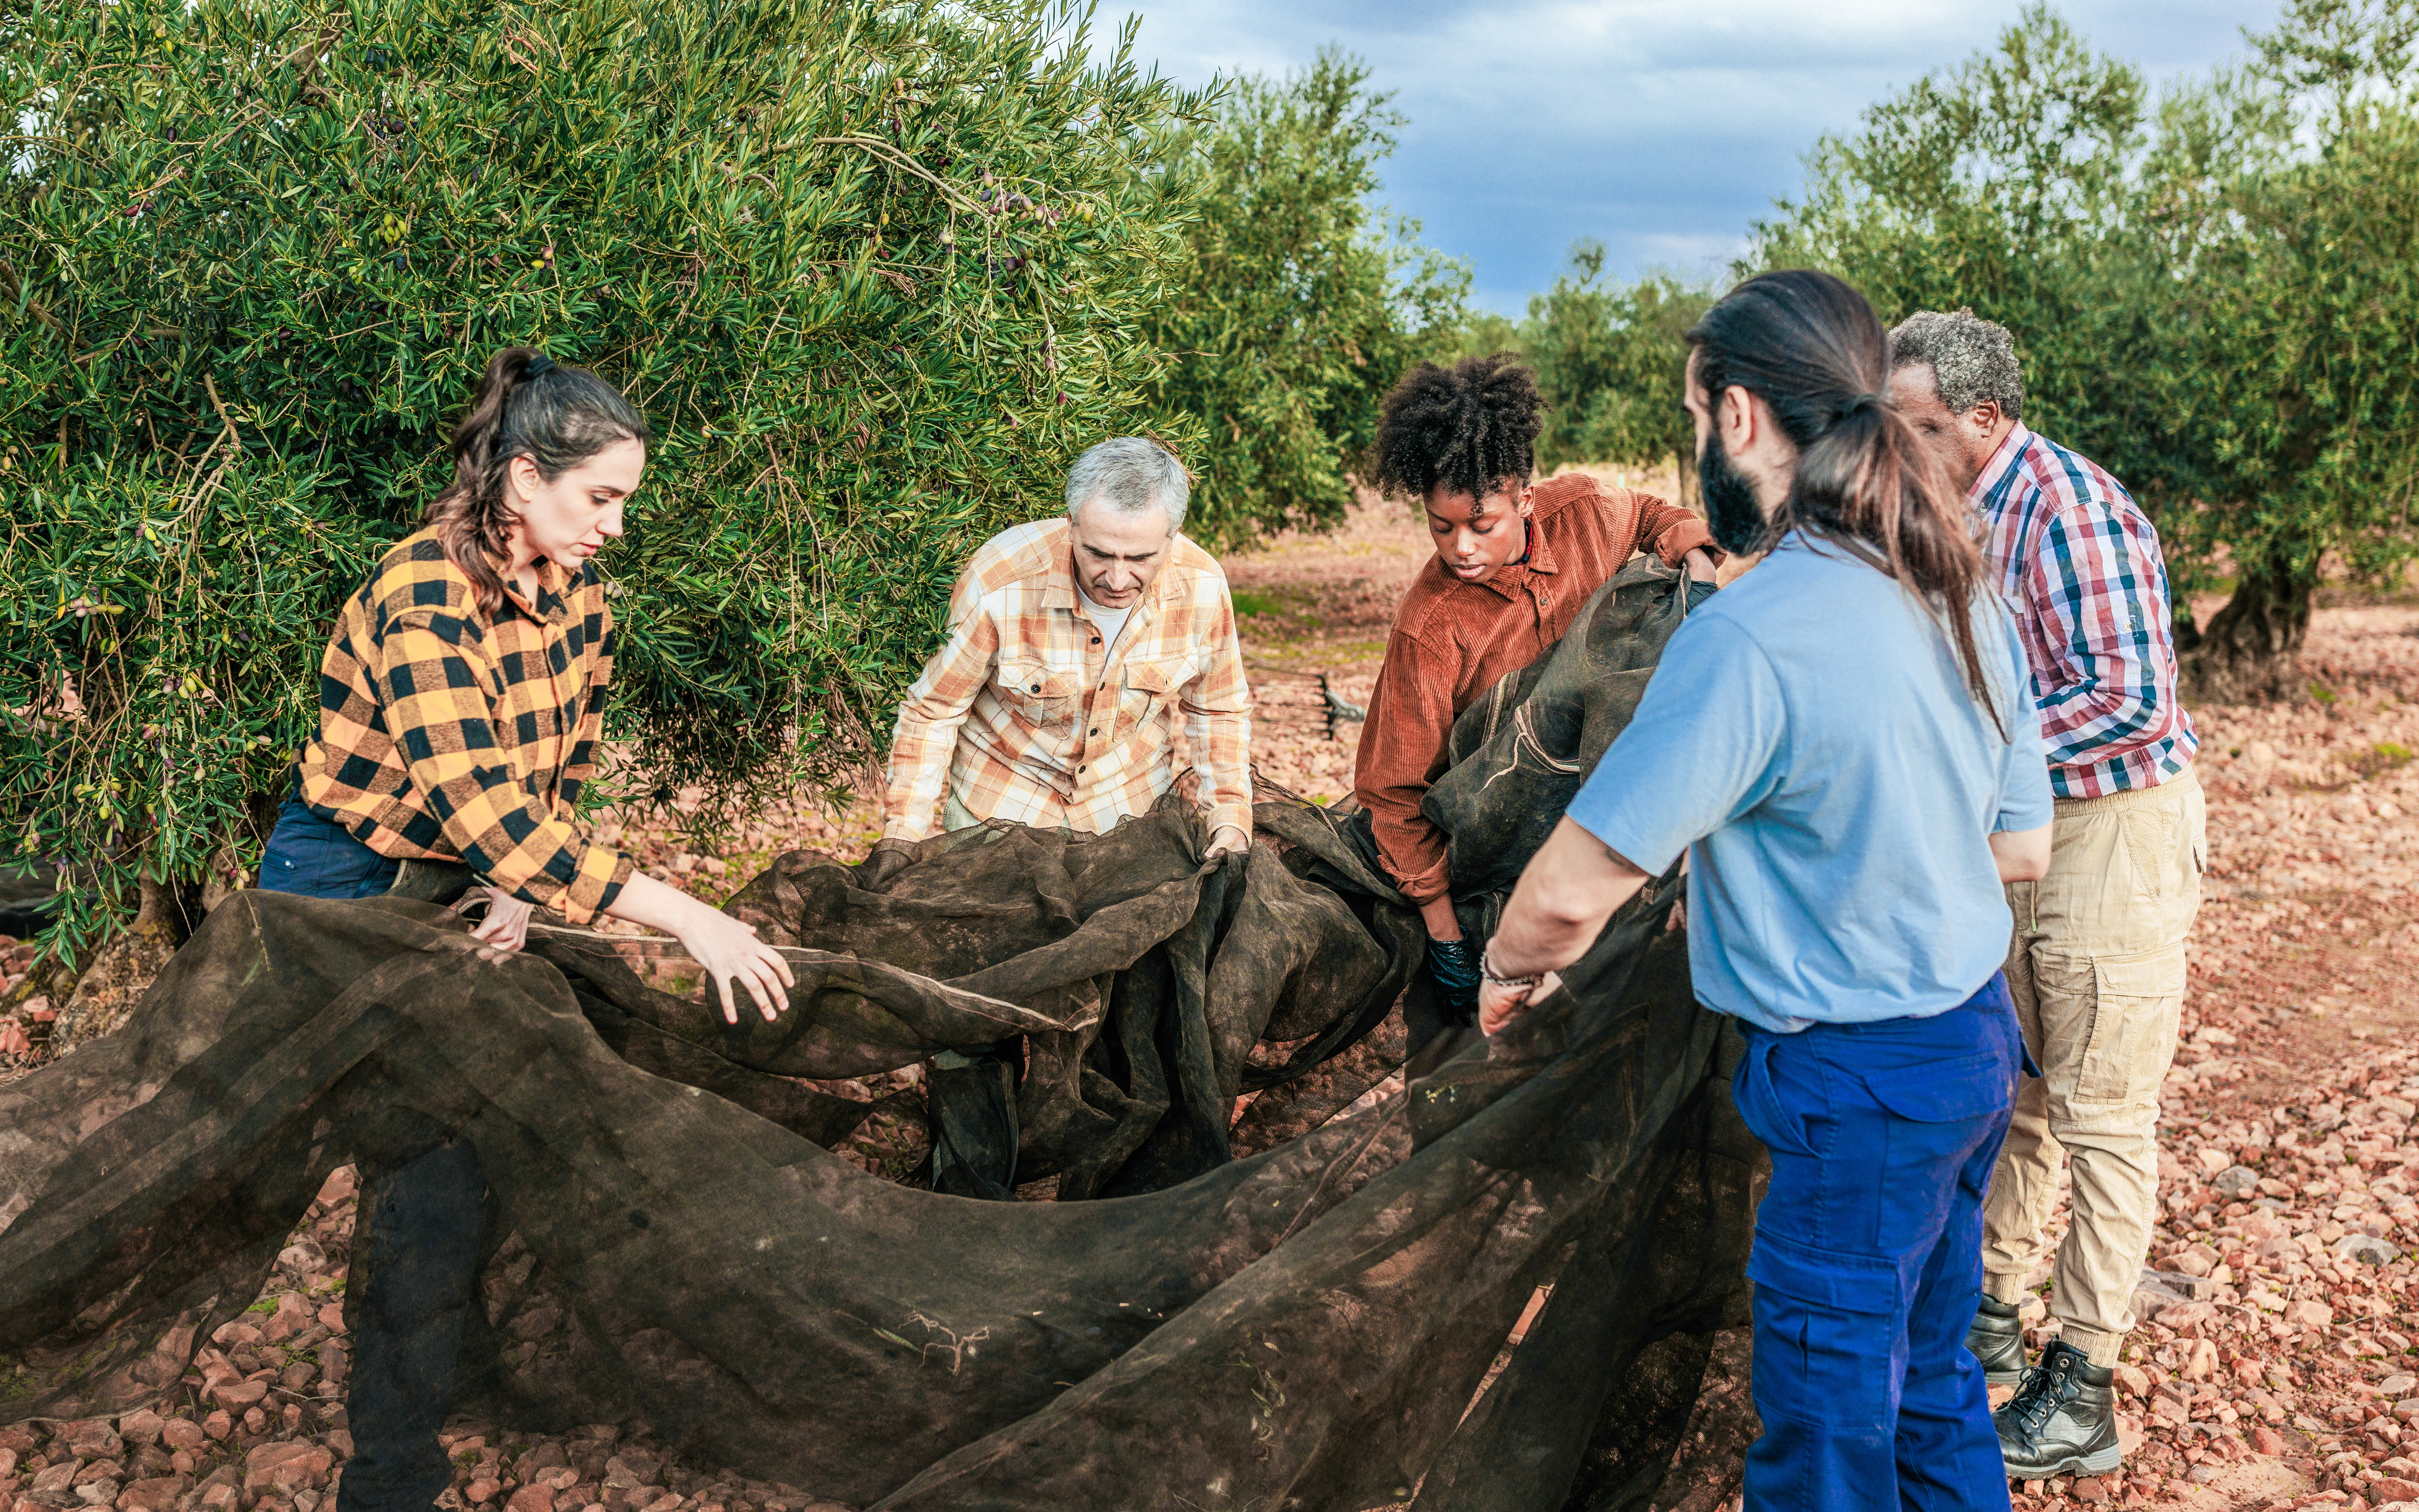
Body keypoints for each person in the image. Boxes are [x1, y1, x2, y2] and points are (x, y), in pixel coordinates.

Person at [1476, 271, 2054, 1511]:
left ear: (1737, 417)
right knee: (1932, 1383)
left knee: (1824, 1435)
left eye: (1698, 418)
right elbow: (2019, 850)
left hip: (1854, 1090)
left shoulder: (1752, 632)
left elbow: (1570, 894)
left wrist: (1506, 971)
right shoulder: (1954, 579)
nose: (1698, 449)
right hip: (1970, 1050)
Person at [259, 346, 796, 1512]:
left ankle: (434, 1407)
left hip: (469, 870)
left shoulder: (583, 600)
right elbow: (488, 809)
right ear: (517, 483)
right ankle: (389, 1480)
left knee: (474, 1152)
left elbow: (547, 787)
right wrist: (689, 915)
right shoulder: (421, 597)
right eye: (599, 497)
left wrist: (517, 891)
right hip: (344, 880)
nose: (615, 525)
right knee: (414, 1169)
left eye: (625, 502)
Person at [1889, 309, 2204, 1479]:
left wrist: (1976, 763)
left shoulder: (2070, 509)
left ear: (1981, 419)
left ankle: (2082, 1386)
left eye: (1914, 424)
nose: (1895, 443)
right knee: (2017, 1087)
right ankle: (1989, 1316)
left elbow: (2127, 694)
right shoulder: (1952, 502)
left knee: (2104, 1114)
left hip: (2111, 833)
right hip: (2026, 831)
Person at [1354, 355, 1718, 1019]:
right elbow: (1393, 791)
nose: (1460, 547)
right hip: (1493, 861)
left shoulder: (1584, 514)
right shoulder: (1430, 631)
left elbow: (1649, 514)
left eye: (1482, 524)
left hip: (1605, 828)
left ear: (1524, 498)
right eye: (1442, 527)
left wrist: (1693, 557)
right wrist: (1445, 935)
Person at [882, 435, 1252, 857]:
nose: (1116, 579)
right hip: (999, 806)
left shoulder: (1202, 585)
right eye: (1099, 554)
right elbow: (934, 711)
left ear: (1172, 536)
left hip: (1130, 811)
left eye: (1139, 559)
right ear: (1071, 523)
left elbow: (1219, 709)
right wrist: (902, 836)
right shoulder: (1000, 578)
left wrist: (1230, 818)